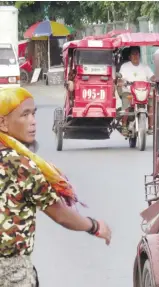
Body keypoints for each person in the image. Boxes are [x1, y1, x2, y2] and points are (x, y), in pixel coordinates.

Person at [0, 87, 112, 286]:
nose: (33, 121)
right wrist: (95, 226)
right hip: (10, 272)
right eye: (24, 115)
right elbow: (59, 213)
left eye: (33, 114)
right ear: (3, 123)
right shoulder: (21, 166)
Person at [117, 46, 154, 136]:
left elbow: (152, 77)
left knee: (151, 104)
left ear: (139, 55)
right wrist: (121, 82)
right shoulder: (125, 67)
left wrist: (156, 79)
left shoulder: (145, 67)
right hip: (129, 92)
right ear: (129, 56)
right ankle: (124, 125)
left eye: (137, 54)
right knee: (126, 105)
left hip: (143, 92)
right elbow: (120, 79)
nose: (135, 56)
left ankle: (150, 126)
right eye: (133, 54)